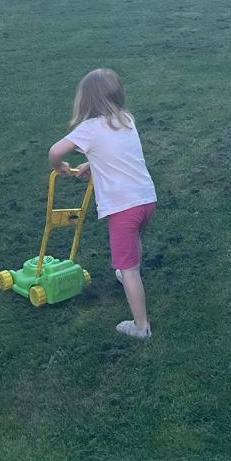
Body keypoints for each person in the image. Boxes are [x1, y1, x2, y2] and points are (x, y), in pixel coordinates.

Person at [48, 68, 157, 340]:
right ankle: (129, 273)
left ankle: (141, 326)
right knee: (134, 242)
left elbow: (54, 152)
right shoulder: (126, 120)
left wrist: (59, 165)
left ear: (86, 100)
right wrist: (92, 163)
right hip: (146, 200)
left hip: (123, 208)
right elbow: (118, 154)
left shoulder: (88, 129)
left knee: (128, 268)